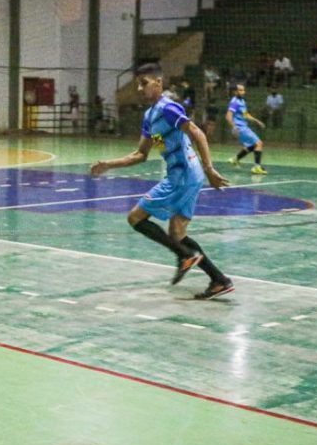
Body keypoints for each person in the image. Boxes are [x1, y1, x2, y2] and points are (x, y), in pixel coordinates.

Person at [89, 63, 233, 300]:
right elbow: (140, 155)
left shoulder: (168, 108)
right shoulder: (149, 116)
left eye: (143, 83)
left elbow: (197, 132)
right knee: (177, 232)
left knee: (135, 217)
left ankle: (185, 256)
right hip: (187, 175)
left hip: (183, 174)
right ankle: (219, 280)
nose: (139, 88)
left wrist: (210, 168)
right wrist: (108, 164)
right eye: (138, 84)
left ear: (158, 82)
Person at [226, 83, 267, 175]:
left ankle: (235, 159)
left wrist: (257, 121)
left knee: (252, 146)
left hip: (244, 126)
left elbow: (245, 115)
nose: (243, 92)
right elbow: (228, 116)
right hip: (240, 128)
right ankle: (257, 167)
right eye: (240, 90)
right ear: (235, 92)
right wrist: (234, 127)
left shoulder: (242, 101)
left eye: (243, 90)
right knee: (259, 143)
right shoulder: (235, 102)